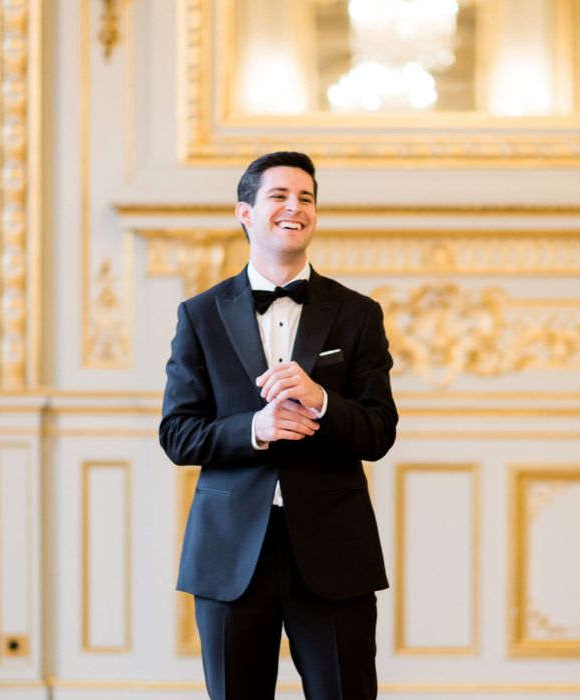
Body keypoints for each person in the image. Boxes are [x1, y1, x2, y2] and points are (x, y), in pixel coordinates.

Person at [159, 151, 397, 699]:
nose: (296, 207)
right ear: (245, 212)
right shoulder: (199, 314)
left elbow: (379, 431)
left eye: (307, 198)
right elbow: (178, 434)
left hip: (336, 553)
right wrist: (256, 428)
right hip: (229, 556)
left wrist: (322, 401)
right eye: (280, 196)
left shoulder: (359, 313)